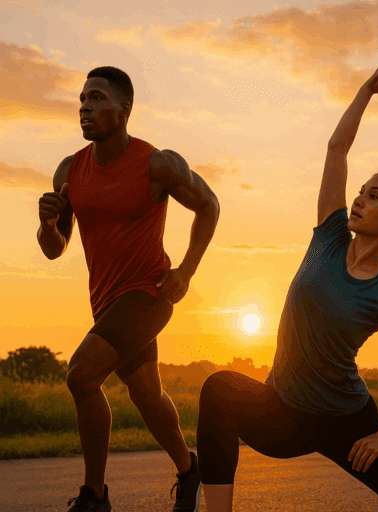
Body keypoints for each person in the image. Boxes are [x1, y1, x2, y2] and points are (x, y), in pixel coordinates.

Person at [196, 52, 378, 512]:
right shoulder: (330, 234)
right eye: (360, 191)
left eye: (373, 196)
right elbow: (337, 149)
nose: (358, 199)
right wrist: (365, 92)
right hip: (282, 412)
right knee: (219, 389)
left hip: (345, 422)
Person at [37, 66, 220, 512]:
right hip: (105, 302)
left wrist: (186, 271)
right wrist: (47, 224)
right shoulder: (69, 170)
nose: (85, 107)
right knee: (146, 394)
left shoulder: (158, 164)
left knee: (81, 376)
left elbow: (209, 205)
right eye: (82, 99)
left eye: (97, 98)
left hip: (148, 294)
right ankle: (190, 469)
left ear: (124, 109)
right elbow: (54, 250)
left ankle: (94, 496)